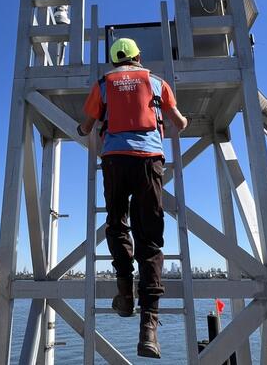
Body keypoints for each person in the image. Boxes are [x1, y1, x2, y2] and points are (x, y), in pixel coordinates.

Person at [77, 38, 188, 359]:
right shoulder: (157, 82)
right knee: (150, 237)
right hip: (149, 160)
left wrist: (83, 129)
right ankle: (149, 329)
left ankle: (125, 293)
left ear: (114, 61)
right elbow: (178, 122)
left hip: (114, 160)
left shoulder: (104, 84)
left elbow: (87, 125)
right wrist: (182, 122)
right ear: (139, 56)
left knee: (116, 224)